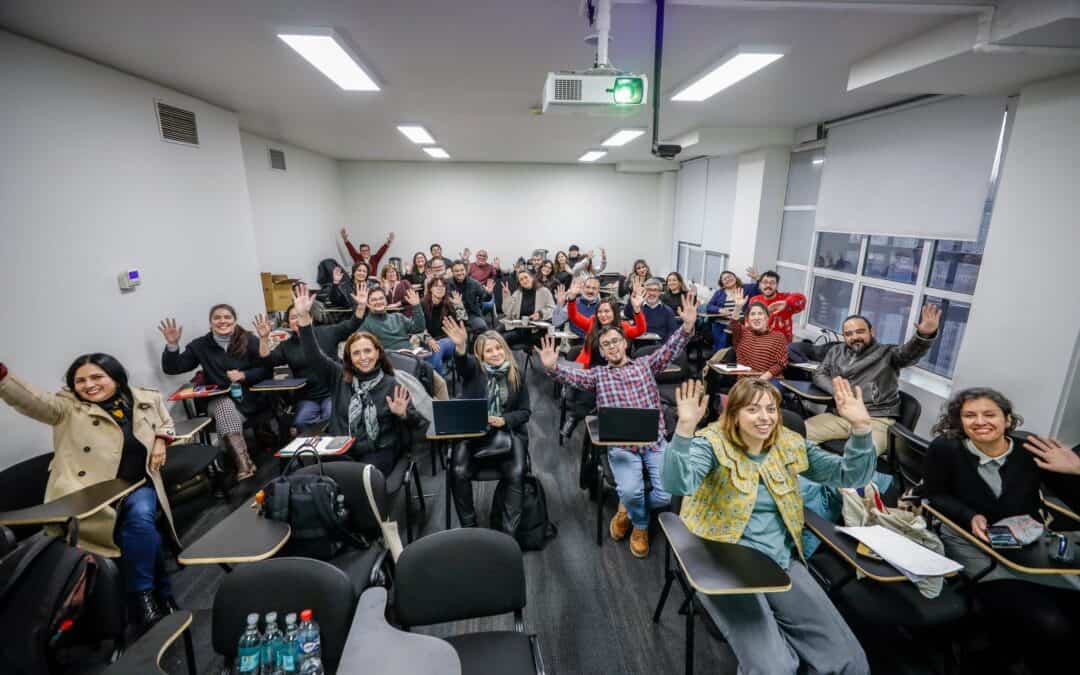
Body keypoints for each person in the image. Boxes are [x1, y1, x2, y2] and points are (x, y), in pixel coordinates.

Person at [662, 377, 874, 675]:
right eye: (753, 410)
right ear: (733, 414)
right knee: (774, 668)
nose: (765, 418)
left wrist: (862, 429)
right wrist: (684, 431)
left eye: (771, 409)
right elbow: (676, 483)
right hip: (725, 566)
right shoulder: (711, 442)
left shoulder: (790, 443)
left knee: (851, 662)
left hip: (780, 562)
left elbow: (849, 476)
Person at [0, 354, 181, 626]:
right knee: (144, 531)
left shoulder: (144, 398)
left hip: (136, 484)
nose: (89, 385)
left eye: (97, 377)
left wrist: (160, 441)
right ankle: (158, 594)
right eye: (80, 380)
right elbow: (32, 400)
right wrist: (3, 376)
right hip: (87, 495)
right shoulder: (67, 409)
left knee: (141, 519)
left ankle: (144, 595)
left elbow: (165, 422)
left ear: (115, 377)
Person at [922, 389, 1080, 674]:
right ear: (959, 422)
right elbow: (935, 494)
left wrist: (1076, 471)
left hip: (1029, 547)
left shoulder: (1030, 452)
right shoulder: (945, 448)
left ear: (1008, 420)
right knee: (1050, 623)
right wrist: (969, 516)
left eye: (990, 414)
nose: (980, 421)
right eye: (970, 415)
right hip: (973, 547)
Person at [535, 291, 698, 558]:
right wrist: (553, 368)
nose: (611, 347)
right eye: (606, 345)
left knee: (667, 496)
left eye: (615, 342)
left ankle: (628, 512)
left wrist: (687, 327)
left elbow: (670, 349)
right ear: (601, 351)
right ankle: (641, 526)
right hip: (621, 446)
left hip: (654, 443)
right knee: (632, 492)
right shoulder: (597, 375)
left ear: (625, 344)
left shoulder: (646, 365)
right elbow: (570, 377)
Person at [291, 285, 426, 474]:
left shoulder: (390, 384)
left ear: (378, 353)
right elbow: (314, 356)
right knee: (308, 471)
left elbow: (418, 424)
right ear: (349, 358)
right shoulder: (339, 377)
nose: (363, 357)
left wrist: (403, 414)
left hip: (379, 450)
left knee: (360, 475)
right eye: (356, 353)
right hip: (343, 448)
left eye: (368, 351)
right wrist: (304, 319)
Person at [806, 305, 940, 453]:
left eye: (860, 331)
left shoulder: (888, 353)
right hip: (840, 416)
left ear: (872, 331)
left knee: (861, 456)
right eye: (848, 334)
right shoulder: (836, 350)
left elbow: (909, 354)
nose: (854, 337)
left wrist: (923, 336)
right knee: (797, 435)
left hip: (876, 420)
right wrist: (839, 391)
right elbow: (819, 374)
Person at [159, 304, 268, 481]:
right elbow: (174, 368)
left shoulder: (249, 339)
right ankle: (243, 463)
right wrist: (172, 345)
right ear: (210, 323)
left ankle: (243, 461)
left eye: (227, 317)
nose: (222, 321)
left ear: (234, 320)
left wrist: (244, 375)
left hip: (248, 399)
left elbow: (265, 369)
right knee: (224, 406)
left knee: (227, 410)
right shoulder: (200, 345)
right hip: (216, 399)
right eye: (217, 318)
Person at [443, 318, 530, 534]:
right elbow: (463, 365)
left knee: (517, 472)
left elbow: (525, 412)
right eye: (488, 351)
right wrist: (461, 348)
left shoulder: (516, 374)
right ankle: (469, 529)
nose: (495, 353)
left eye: (498, 348)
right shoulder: (474, 370)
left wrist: (504, 420)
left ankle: (509, 534)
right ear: (480, 356)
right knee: (458, 470)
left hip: (508, 432)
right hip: (473, 432)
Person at [253, 289, 365, 434]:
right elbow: (267, 361)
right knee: (300, 422)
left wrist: (361, 306)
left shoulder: (327, 332)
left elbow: (351, 325)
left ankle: (336, 451)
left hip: (333, 392)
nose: (297, 320)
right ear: (288, 323)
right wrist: (263, 339)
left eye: (300, 315)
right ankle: (311, 454)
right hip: (307, 397)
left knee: (331, 417)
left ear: (310, 318)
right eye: (293, 317)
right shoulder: (287, 345)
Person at [566, 285, 647, 369]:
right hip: (590, 369)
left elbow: (640, 330)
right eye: (600, 312)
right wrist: (572, 299)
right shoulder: (592, 323)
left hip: (615, 368)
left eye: (607, 311)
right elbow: (574, 316)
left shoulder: (623, 326)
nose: (603, 315)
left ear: (614, 313)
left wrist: (637, 309)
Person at [728, 295, 789, 380]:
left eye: (760, 314)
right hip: (746, 382)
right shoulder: (742, 333)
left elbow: (781, 363)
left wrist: (762, 379)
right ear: (748, 319)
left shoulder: (778, 337)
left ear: (767, 317)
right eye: (752, 314)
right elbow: (733, 324)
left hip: (770, 380)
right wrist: (738, 307)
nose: (756, 317)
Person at [353, 285, 426, 351]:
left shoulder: (398, 317)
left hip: (411, 353)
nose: (378, 302)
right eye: (374, 300)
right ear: (368, 304)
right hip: (391, 359)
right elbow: (357, 344)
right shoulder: (367, 324)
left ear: (386, 301)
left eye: (381, 298)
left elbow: (419, 328)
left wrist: (417, 306)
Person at [420, 277, 467, 375]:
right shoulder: (422, 304)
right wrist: (428, 339)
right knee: (435, 354)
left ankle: (432, 381)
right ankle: (438, 380)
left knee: (438, 347)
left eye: (442, 286)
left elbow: (462, 323)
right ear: (430, 289)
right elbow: (418, 327)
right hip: (428, 340)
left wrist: (459, 306)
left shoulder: (450, 304)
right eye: (436, 286)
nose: (440, 288)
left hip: (448, 340)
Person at [746, 270, 806, 342]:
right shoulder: (754, 300)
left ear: (777, 286)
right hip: (760, 343)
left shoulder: (785, 298)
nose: (768, 285)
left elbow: (801, 300)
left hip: (782, 345)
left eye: (772, 283)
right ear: (760, 285)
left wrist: (787, 303)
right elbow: (749, 322)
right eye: (765, 282)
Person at [501, 270, 556, 349]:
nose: (524, 280)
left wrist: (540, 314)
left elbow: (552, 308)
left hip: (534, 330)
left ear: (532, 278)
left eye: (526, 277)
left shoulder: (544, 291)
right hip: (518, 326)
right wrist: (506, 296)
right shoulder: (517, 293)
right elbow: (507, 312)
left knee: (501, 339)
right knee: (494, 333)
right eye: (521, 279)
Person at [706, 270, 757, 349]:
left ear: (735, 278)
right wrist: (719, 309)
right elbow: (709, 306)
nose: (728, 279)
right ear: (722, 283)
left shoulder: (746, 288)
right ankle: (717, 358)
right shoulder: (719, 293)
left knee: (732, 346)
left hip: (740, 324)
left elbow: (761, 287)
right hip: (721, 324)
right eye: (725, 279)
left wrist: (757, 277)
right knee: (720, 346)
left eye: (729, 276)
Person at [624, 278, 678, 342]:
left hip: (659, 346)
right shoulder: (637, 307)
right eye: (649, 290)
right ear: (644, 291)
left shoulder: (668, 311)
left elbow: (672, 333)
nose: (652, 293)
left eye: (655, 290)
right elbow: (627, 314)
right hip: (638, 345)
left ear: (660, 292)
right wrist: (633, 297)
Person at [448, 260, 493, 334]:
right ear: (452, 272)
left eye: (462, 270)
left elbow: (485, 298)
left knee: (482, 327)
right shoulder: (447, 284)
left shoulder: (474, 283)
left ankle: (474, 344)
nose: (459, 273)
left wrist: (488, 293)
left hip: (471, 314)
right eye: (456, 271)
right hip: (453, 315)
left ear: (465, 271)